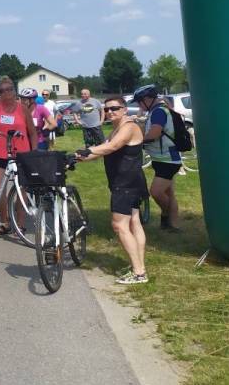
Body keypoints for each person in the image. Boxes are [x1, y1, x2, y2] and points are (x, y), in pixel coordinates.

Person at [76, 97, 149, 284]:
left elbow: (112, 147)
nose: (110, 112)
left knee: (119, 225)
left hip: (126, 183)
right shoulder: (117, 128)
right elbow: (103, 148)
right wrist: (78, 157)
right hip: (130, 180)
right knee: (134, 223)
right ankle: (139, 266)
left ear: (125, 109)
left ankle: (139, 273)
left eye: (115, 108)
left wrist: (88, 151)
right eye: (107, 109)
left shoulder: (129, 127)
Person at [0, 76, 36, 236]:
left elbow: (32, 132)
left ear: (14, 91)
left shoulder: (22, 108)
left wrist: (34, 153)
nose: (6, 93)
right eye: (2, 91)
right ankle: (5, 223)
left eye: (9, 89)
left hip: (22, 154)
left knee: (21, 190)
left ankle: (20, 225)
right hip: (2, 153)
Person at [134, 84, 182, 231]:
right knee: (169, 194)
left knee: (156, 192)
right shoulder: (156, 111)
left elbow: (154, 133)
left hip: (168, 160)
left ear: (148, 99)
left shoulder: (159, 112)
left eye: (139, 101)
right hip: (162, 158)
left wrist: (138, 141)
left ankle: (166, 216)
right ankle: (173, 225)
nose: (138, 105)